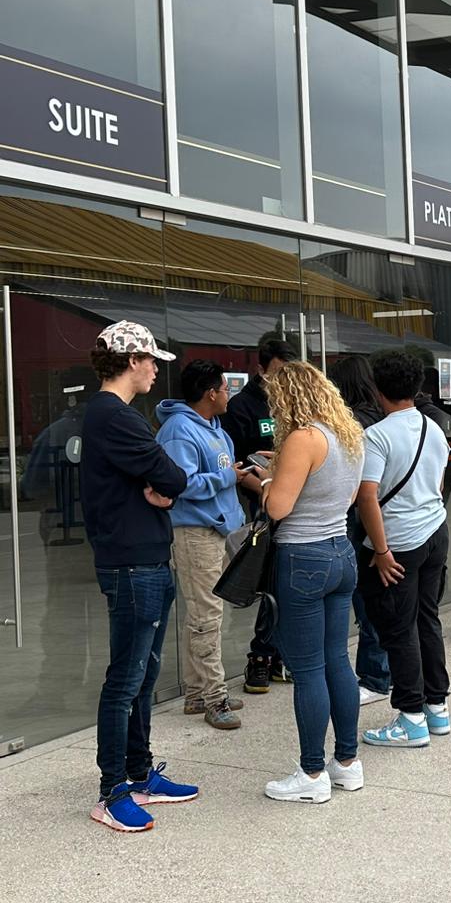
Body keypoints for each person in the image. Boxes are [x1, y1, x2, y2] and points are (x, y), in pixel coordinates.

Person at [83, 320, 196, 832]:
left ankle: (140, 771)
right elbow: (172, 474)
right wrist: (162, 485)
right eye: (152, 361)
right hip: (132, 564)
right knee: (126, 679)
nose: (156, 370)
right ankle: (113, 791)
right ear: (132, 361)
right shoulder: (115, 416)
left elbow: (166, 479)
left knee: (144, 675)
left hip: (145, 558)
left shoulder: (118, 416)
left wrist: (162, 486)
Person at [248, 360, 365, 804]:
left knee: (309, 668)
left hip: (303, 557)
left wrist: (260, 481)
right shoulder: (348, 435)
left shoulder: (303, 437)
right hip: (340, 550)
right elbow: (349, 496)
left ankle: (312, 772)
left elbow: (278, 508)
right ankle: (347, 764)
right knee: (338, 659)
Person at [355, 350, 451, 748]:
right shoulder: (434, 428)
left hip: (398, 544)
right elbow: (440, 484)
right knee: (427, 620)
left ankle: (410, 716)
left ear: (378, 390)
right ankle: (436, 708)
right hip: (435, 532)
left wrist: (380, 551)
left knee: (399, 629)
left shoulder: (376, 435)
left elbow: (367, 497)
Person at [156, 359, 248, 731]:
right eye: (226, 388)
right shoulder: (179, 431)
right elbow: (180, 483)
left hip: (219, 530)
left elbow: (217, 475)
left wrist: (239, 473)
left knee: (206, 614)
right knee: (205, 616)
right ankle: (215, 698)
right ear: (210, 393)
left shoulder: (214, 427)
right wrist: (228, 476)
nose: (229, 394)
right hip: (195, 533)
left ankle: (197, 692)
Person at [224, 336, 298, 693]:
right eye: (278, 372)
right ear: (261, 368)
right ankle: (260, 657)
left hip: (298, 507)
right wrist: (269, 490)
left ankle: (279, 655)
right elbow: (240, 465)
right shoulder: (242, 407)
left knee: (287, 586)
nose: (283, 379)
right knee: (269, 584)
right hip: (263, 507)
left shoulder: (297, 404)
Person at [331, 356, 391, 707]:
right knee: (383, 601)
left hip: (359, 521)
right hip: (389, 518)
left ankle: (374, 675)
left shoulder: (350, 425)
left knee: (367, 600)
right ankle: (388, 672)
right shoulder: (385, 420)